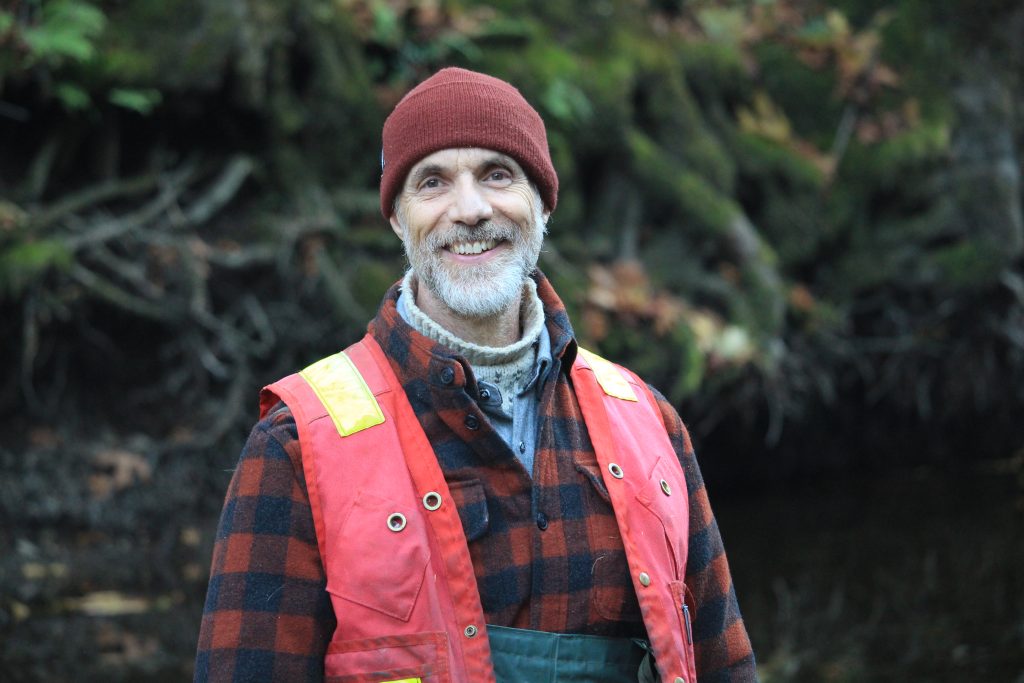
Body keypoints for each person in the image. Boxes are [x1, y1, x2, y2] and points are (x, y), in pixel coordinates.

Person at [195, 67, 757, 683]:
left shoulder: (649, 422)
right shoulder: (297, 444)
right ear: (396, 218)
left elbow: (726, 664)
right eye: (432, 182)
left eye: (497, 174)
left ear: (542, 202)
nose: (469, 209)